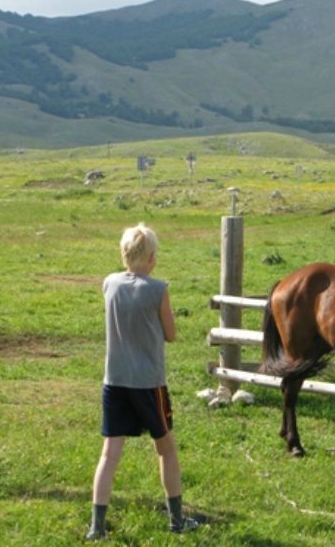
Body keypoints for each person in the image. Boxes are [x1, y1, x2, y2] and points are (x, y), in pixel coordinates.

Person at [87, 223, 199, 540]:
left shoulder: (109, 283)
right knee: (166, 449)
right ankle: (177, 521)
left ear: (124, 254)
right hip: (149, 383)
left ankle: (97, 527)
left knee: (109, 454)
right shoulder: (158, 289)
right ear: (151, 258)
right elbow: (172, 334)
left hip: (115, 380)